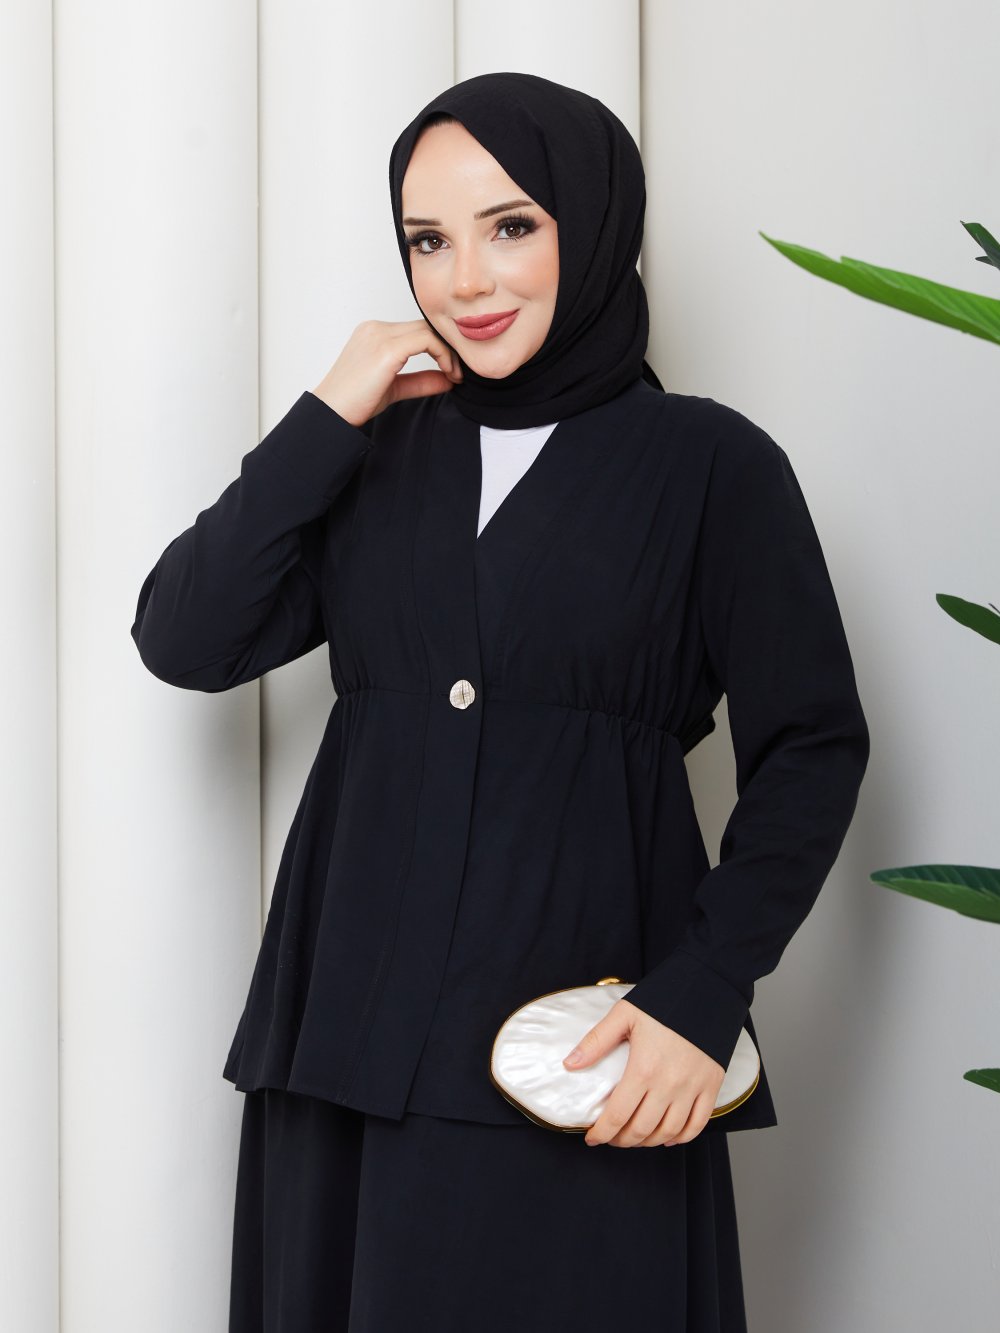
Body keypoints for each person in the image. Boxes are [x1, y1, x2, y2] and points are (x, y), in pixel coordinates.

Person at [131, 71, 870, 1332]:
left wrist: (704, 995)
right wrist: (326, 415)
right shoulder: (375, 450)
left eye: (510, 226)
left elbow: (811, 748)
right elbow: (185, 638)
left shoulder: (711, 466)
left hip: (578, 1053)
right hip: (345, 1044)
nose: (464, 280)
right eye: (428, 240)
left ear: (594, 222)